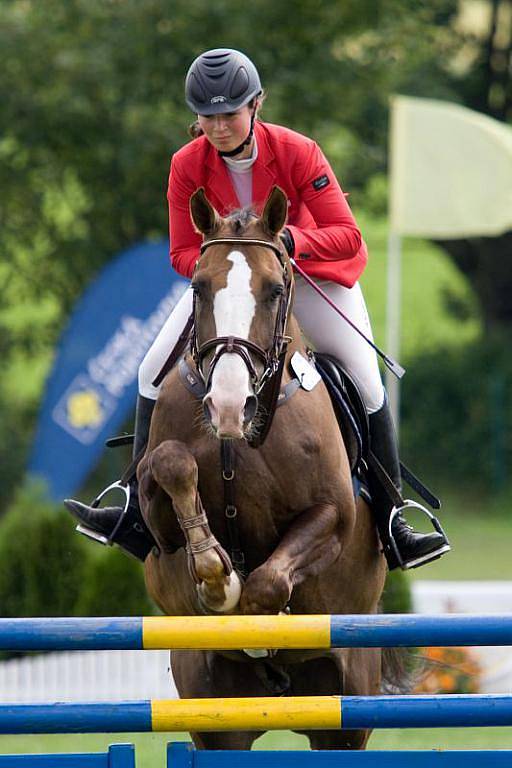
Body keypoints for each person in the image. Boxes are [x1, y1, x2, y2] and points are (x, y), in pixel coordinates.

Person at [65, 48, 450, 570]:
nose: (219, 126)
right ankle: (133, 503)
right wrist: (230, 257)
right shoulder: (186, 165)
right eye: (208, 116)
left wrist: (286, 242)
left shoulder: (298, 151)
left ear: (256, 105)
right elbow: (182, 253)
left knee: (366, 381)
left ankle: (392, 517)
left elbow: (348, 236)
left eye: (230, 114)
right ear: (194, 116)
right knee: (149, 369)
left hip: (308, 276)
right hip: (231, 285)